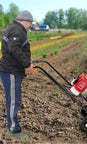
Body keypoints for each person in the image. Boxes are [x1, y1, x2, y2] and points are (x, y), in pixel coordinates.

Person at [0, 10, 33, 140]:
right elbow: (14, 49)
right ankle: (13, 130)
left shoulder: (16, 29)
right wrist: (26, 64)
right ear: (25, 21)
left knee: (14, 99)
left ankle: (12, 126)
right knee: (14, 100)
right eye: (29, 24)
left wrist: (27, 61)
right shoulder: (17, 30)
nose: (30, 26)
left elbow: (16, 48)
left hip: (12, 70)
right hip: (11, 71)